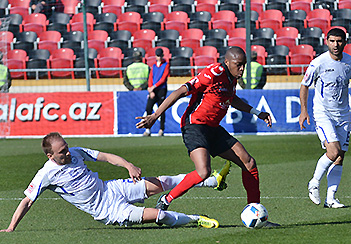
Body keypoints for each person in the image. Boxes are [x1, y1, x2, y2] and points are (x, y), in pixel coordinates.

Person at [0, 132, 230, 232]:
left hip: (112, 188)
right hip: (107, 210)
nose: (68, 153)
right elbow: (27, 201)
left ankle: (210, 181)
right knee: (157, 215)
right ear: (50, 156)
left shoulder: (77, 152)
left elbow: (107, 157)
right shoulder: (46, 174)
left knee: (163, 181)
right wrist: (12, 227)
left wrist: (129, 165)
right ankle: (196, 220)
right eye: (62, 152)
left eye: (67, 148)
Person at [136, 47, 272, 214]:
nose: (242, 69)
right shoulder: (213, 73)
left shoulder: (232, 78)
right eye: (238, 65)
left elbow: (231, 99)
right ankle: (166, 199)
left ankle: (255, 211)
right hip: (194, 126)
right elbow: (180, 91)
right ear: (227, 62)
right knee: (204, 171)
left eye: (244, 65)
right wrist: (155, 115)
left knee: (249, 162)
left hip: (213, 128)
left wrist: (257, 113)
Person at [299, 28, 351, 208]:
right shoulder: (318, 63)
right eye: (332, 41)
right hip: (324, 113)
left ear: (344, 42)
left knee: (340, 156)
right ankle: (314, 183)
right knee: (333, 152)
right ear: (327, 41)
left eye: (339, 41)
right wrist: (303, 111)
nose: (336, 45)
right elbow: (304, 85)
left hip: (343, 114)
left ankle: (331, 198)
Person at [143, 48, 170, 137]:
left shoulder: (166, 65)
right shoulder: (154, 66)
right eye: (157, 56)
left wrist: (153, 87)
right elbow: (151, 77)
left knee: (161, 109)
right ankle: (148, 129)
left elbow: (163, 78)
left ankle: (161, 129)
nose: (159, 57)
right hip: (153, 89)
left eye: (160, 56)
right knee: (148, 109)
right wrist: (150, 89)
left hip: (161, 89)